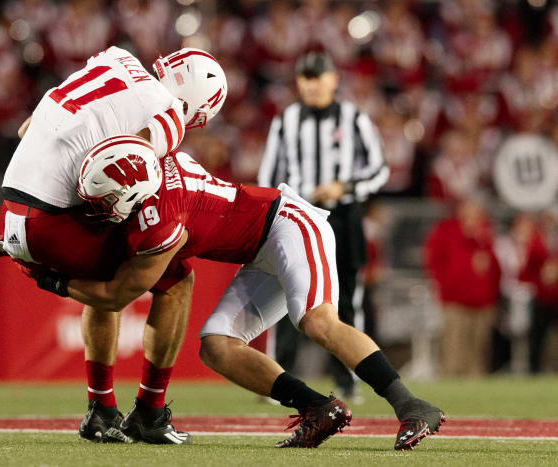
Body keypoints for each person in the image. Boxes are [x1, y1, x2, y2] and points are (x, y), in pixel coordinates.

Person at [32, 142, 444, 451]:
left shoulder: (163, 217)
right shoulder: (156, 161)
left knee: (318, 320)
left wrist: (51, 280)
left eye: (106, 200)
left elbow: (119, 293)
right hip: (258, 250)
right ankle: (318, 407)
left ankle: (410, 405)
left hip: (289, 224)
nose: (103, 209)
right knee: (216, 347)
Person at [0, 46, 227, 444]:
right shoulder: (168, 112)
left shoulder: (114, 58)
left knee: (111, 263)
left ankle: (103, 408)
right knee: (173, 276)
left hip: (14, 205)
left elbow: (29, 128)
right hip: (49, 220)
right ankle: (148, 411)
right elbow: (129, 166)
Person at [257, 52, 389, 401]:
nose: (312, 85)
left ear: (333, 79)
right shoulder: (285, 121)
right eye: (305, 78)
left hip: (343, 217)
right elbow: (269, 176)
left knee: (347, 299)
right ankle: (277, 379)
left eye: (318, 77)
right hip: (299, 218)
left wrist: (344, 187)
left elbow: (379, 169)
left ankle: (348, 379)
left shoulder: (354, 118)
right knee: (285, 299)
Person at [425, 195, 501, 377]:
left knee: (479, 348)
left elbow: (496, 267)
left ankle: (476, 383)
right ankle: (452, 380)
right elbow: (433, 262)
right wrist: (446, 286)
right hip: (455, 299)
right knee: (455, 345)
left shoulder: (486, 233)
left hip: (483, 301)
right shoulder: (446, 230)